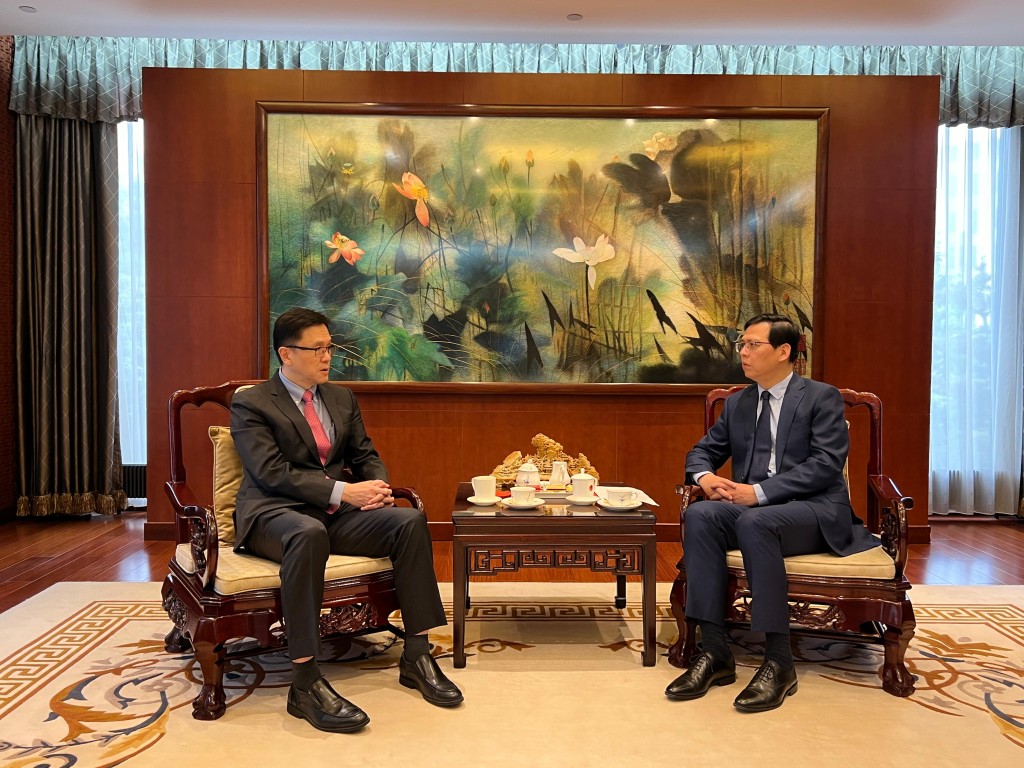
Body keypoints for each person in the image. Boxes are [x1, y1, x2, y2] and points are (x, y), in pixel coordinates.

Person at [230, 306, 462, 733]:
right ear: (286, 353)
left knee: (408, 522)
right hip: (272, 515)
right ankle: (304, 681)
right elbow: (270, 472)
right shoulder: (252, 402)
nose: (327, 357)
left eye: (329, 347)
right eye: (316, 349)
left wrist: (377, 488)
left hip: (332, 515)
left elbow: (365, 454)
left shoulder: (340, 397)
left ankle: (416, 654)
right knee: (307, 532)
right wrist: (342, 491)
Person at [665, 313, 879, 712]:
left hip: (814, 511)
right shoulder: (740, 403)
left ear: (784, 352)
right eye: (742, 345)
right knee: (701, 515)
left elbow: (826, 465)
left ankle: (779, 663)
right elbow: (702, 451)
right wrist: (706, 478)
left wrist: (759, 493)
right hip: (756, 511)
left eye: (753, 345)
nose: (743, 353)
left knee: (755, 519)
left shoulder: (821, 397)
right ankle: (714, 653)